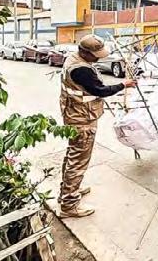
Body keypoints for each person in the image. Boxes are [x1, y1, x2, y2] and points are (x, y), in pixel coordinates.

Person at [58, 34, 137, 218]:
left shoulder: (73, 58)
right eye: (96, 55)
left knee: (72, 155)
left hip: (73, 113)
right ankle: (69, 205)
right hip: (81, 120)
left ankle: (68, 190)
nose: (99, 58)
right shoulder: (81, 70)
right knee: (78, 160)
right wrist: (123, 84)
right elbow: (100, 90)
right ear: (85, 52)